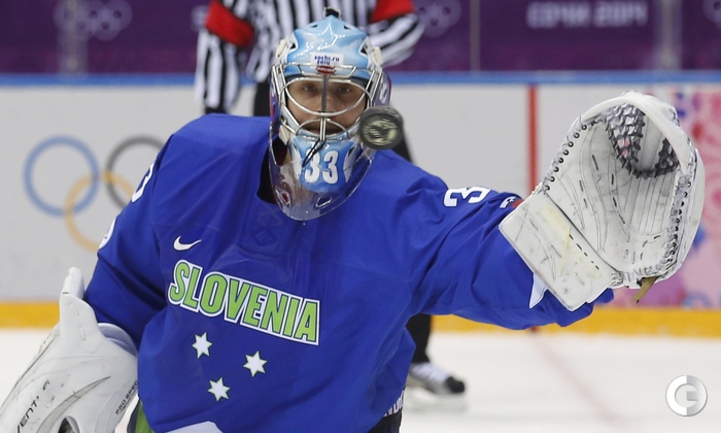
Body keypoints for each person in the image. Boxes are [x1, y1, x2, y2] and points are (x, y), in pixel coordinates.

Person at [0, 12, 704, 433]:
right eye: (309, 91)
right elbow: (125, 286)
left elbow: (504, 265)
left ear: (374, 108)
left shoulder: (405, 210)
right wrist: (84, 370)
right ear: (278, 98)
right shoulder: (196, 158)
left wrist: (579, 250)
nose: (323, 113)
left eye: (343, 96)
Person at [195, 0, 465, 398]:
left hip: (356, 99)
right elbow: (221, 35)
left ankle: (414, 355)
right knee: (272, 225)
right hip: (285, 99)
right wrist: (215, 114)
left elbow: (404, 23)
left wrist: (351, 55)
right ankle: (269, 351)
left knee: (401, 218)